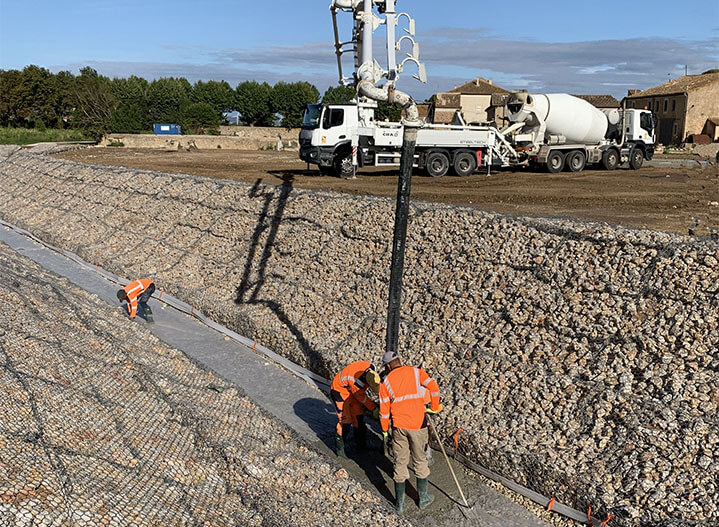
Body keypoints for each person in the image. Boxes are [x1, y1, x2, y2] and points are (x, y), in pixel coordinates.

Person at [379, 350, 442, 514]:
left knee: (400, 462)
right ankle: (423, 499)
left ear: (387, 366)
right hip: (418, 425)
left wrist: (385, 432)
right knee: (420, 460)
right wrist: (434, 408)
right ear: (399, 360)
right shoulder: (416, 372)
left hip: (398, 427)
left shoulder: (385, 383)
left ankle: (399, 504)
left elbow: (384, 413)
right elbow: (433, 388)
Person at [330, 360, 380, 458]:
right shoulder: (357, 383)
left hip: (352, 391)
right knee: (345, 421)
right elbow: (362, 398)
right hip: (340, 391)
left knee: (358, 417)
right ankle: (340, 449)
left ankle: (361, 445)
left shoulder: (371, 368)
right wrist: (374, 408)